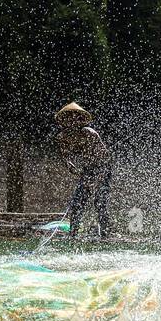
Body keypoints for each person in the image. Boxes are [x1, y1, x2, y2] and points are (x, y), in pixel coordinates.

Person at [54, 101, 112, 239]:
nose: (72, 121)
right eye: (69, 118)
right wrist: (71, 165)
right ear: (64, 120)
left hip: (102, 168)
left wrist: (96, 180)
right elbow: (65, 156)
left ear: (80, 120)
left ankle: (105, 233)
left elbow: (105, 159)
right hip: (87, 169)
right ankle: (73, 233)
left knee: (100, 201)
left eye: (75, 118)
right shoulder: (62, 137)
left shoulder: (89, 134)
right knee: (77, 201)